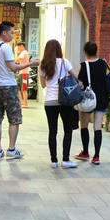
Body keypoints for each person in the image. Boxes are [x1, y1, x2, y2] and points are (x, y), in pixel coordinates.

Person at [0, 21, 39, 160]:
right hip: (8, 86)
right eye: (11, 32)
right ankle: (12, 149)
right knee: (14, 118)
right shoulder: (5, 47)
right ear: (4, 32)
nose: (13, 35)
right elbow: (13, 68)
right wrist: (32, 63)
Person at [39, 39, 79, 169]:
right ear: (58, 49)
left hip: (49, 102)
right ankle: (66, 159)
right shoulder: (64, 62)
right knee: (68, 130)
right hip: (64, 101)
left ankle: (54, 161)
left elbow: (43, 85)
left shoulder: (43, 65)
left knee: (52, 131)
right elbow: (76, 77)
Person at [75, 41, 110, 165]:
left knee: (84, 125)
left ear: (85, 52)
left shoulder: (83, 65)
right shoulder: (103, 63)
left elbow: (81, 84)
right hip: (101, 98)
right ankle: (96, 156)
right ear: (96, 51)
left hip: (88, 98)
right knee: (97, 126)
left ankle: (85, 152)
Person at [15, 40, 30, 108]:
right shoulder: (23, 53)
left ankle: (25, 103)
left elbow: (16, 60)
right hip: (22, 72)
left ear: (21, 46)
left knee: (24, 88)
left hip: (24, 73)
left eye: (18, 47)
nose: (17, 48)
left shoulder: (24, 52)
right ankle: (21, 101)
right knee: (17, 87)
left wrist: (15, 52)